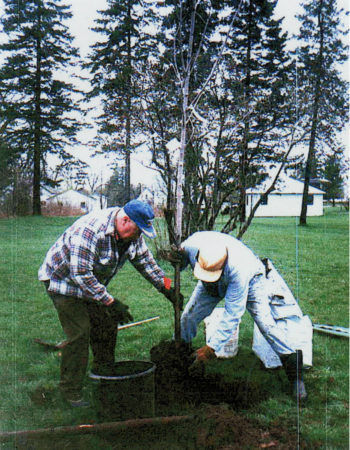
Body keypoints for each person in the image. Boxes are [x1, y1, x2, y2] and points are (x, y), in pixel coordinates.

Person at [38, 200, 178, 407]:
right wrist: (111, 302)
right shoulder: (90, 231)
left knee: (106, 325)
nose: (139, 236)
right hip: (62, 282)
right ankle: (70, 391)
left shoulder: (131, 234)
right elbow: (81, 275)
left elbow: (147, 263)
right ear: (125, 220)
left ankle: (104, 376)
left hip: (90, 285)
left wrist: (168, 287)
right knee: (80, 332)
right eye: (138, 231)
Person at [173, 231, 308, 401]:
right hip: (210, 285)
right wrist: (176, 259)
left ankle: (296, 375)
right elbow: (181, 260)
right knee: (187, 317)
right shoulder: (191, 245)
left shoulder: (239, 271)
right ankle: (179, 359)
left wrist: (211, 349)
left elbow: (232, 315)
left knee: (267, 326)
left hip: (252, 281)